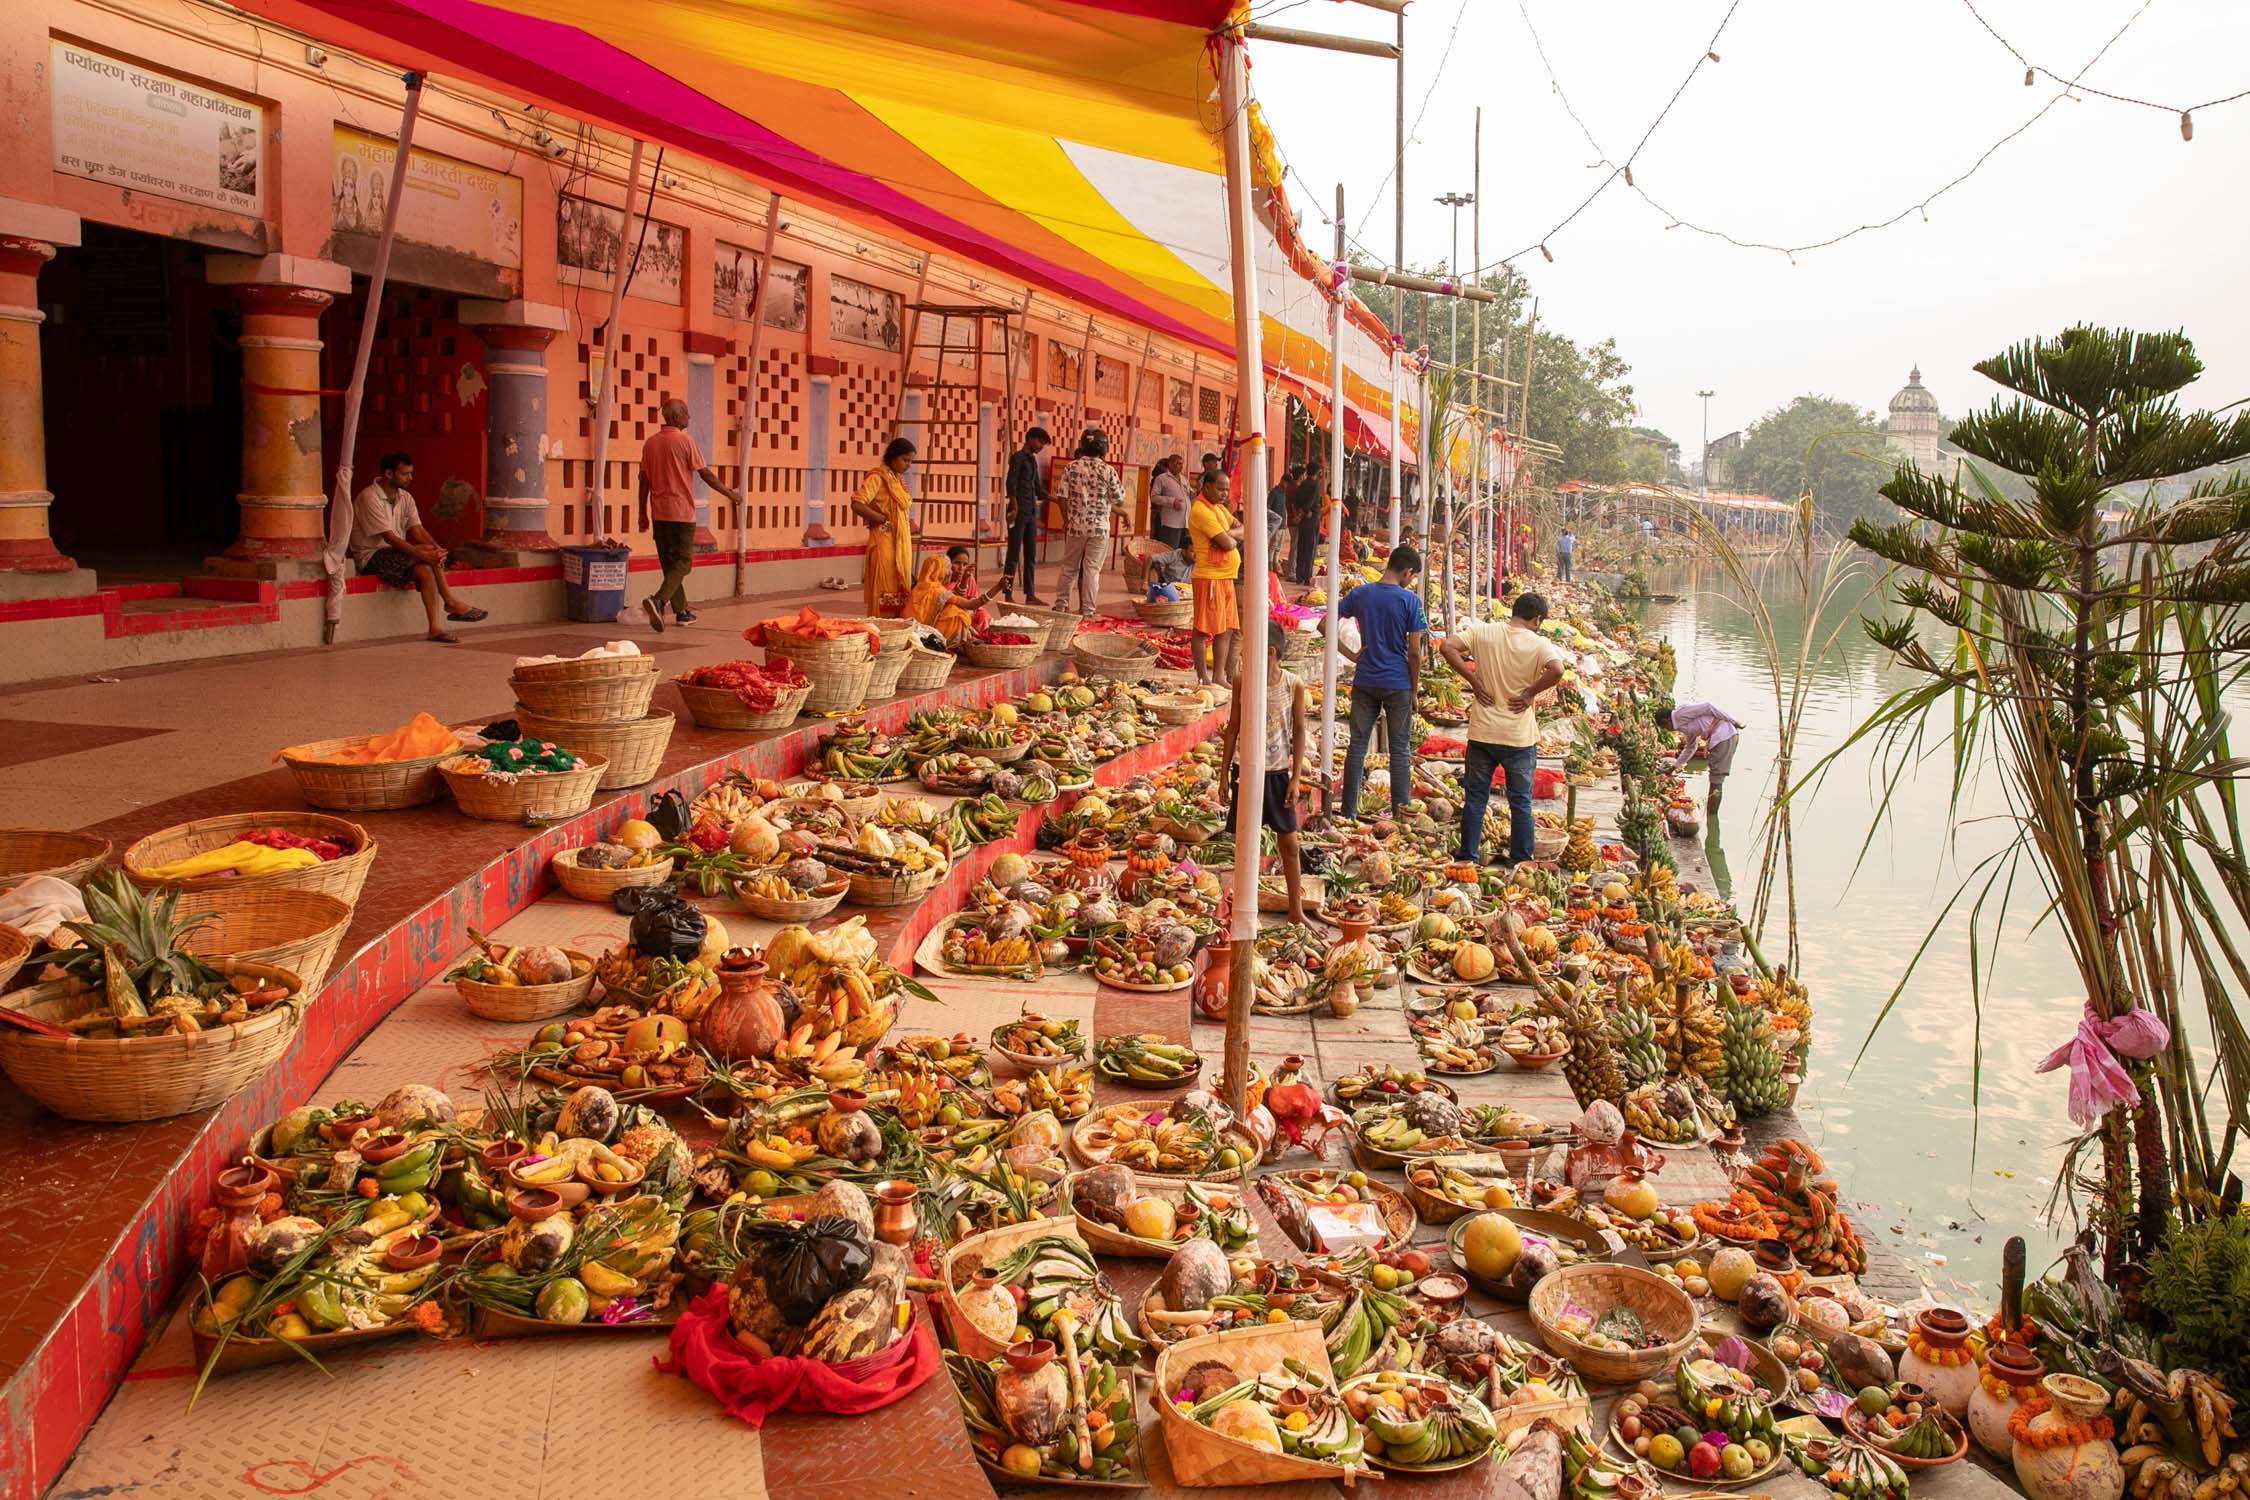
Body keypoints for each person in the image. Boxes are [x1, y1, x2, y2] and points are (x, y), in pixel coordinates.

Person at [1441, 591, 1572, 868]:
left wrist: (1474, 681)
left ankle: (1468, 857)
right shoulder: (1538, 643)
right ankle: (1521, 860)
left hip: (1483, 732)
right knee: (1520, 801)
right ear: (1537, 619)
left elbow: (1447, 647)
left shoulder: (1483, 632)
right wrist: (1529, 693)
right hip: (1518, 736)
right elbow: (1557, 670)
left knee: (1476, 798)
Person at [1219, 619, 1311, 926]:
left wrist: (1296, 777)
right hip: (1244, 770)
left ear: (1269, 652)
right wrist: (1223, 775)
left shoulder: (1292, 683)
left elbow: (1299, 732)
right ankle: (1247, 906)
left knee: (1290, 844)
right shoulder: (1242, 680)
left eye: (1249, 650)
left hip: (1277, 773)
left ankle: (1295, 908)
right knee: (1246, 842)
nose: (1243, 656)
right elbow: (1233, 727)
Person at [348, 452, 488, 644]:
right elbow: (389, 538)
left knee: (425, 570)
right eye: (405, 474)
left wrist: (437, 550)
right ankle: (450, 601)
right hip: (372, 558)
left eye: (411, 473)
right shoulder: (369, 497)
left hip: (398, 556)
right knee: (426, 554)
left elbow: (418, 529)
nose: (410, 478)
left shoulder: (405, 498)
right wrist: (424, 553)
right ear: (389, 474)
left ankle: (434, 628)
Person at [637, 398, 743, 631]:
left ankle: (681, 612)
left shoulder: (650, 443)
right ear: (677, 417)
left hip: (659, 512)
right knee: (683, 563)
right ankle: (658, 600)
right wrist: (730, 494)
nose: (689, 417)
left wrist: (641, 511)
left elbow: (643, 479)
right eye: (686, 413)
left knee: (669, 564)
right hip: (681, 513)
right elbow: (705, 474)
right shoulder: (685, 441)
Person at [1339, 544, 1427, 821]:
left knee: (1357, 746)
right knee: (1399, 750)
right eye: (1412, 577)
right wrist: (1414, 689)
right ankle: (1401, 815)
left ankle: (1348, 812)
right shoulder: (1410, 601)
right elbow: (1414, 652)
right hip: (1398, 681)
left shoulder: (1360, 594)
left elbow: (1324, 624)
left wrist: (1352, 654)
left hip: (1365, 677)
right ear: (1407, 571)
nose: (1410, 581)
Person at [1051, 431, 1126, 615]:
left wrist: (1067, 519)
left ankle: (1061, 605)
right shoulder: (1108, 471)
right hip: (1099, 529)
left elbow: (1062, 496)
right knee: (1092, 569)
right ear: (1104, 449)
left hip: (1075, 527)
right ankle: (1088, 610)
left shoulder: (1071, 468)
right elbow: (1119, 498)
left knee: (1069, 567)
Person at [1187, 470, 1243, 685]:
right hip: (1209, 577)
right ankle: (1203, 677)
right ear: (1207, 487)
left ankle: (1219, 676)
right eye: (1220, 489)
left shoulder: (1219, 509)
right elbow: (1229, 544)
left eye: (1227, 489)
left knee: (1226, 629)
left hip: (1226, 577)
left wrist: (1228, 534)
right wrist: (1229, 537)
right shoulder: (1201, 510)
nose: (1224, 493)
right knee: (1203, 629)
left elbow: (1240, 531)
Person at [852, 437, 916, 615]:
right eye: (905, 459)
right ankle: (882, 631)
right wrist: (880, 518)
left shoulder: (896, 480)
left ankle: (896, 632)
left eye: (910, 461)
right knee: (884, 589)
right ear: (893, 457)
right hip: (884, 544)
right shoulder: (878, 477)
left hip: (900, 546)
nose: (908, 465)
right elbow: (857, 503)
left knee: (899, 590)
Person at [1658, 702, 1743, 819]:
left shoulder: (1679, 714)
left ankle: (1712, 816)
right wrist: (1674, 767)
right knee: (1714, 779)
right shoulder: (1682, 725)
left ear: (1666, 721)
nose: (1667, 730)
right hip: (1719, 738)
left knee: (1716, 780)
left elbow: (1708, 707)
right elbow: (1691, 747)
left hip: (1724, 736)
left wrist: (1734, 721)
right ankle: (1710, 814)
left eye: (1665, 727)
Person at [906, 546, 1004, 644]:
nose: (949, 571)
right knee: (955, 613)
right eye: (954, 564)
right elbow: (971, 604)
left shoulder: (919, 587)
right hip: (929, 631)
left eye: (965, 564)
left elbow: (961, 597)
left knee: (977, 614)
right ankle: (963, 642)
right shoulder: (939, 590)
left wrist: (965, 579)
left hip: (911, 629)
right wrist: (998, 587)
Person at [1002, 426, 1050, 603]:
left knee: (1030, 554)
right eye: (1040, 442)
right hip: (1018, 512)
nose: (1041, 446)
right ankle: (1008, 593)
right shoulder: (1018, 458)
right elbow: (1011, 484)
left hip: (1030, 512)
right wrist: (1014, 508)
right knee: (1013, 553)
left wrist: (1055, 499)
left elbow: (1037, 489)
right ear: (1030, 438)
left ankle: (1030, 594)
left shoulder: (1032, 460)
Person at [1289, 458, 1325, 586]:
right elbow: (1312, 500)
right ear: (1317, 472)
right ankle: (1307, 576)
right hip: (1311, 518)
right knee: (1310, 547)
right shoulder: (1315, 485)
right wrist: (1306, 510)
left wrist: (1300, 512)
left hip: (1303, 519)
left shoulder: (1302, 484)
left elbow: (1296, 500)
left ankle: (1299, 576)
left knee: (1301, 546)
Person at [1148, 453, 1191, 548]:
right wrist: (1172, 502)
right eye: (1178, 463)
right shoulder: (1161, 478)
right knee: (1170, 551)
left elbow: (1189, 494)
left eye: (1182, 464)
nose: (1181, 466)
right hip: (1171, 524)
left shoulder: (1184, 479)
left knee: (1182, 554)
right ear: (1170, 464)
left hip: (1185, 523)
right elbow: (1154, 497)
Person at [1267, 464, 1301, 572]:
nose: (1287, 485)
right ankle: (1269, 565)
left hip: (1283, 524)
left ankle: (1275, 564)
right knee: (1273, 545)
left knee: (1278, 547)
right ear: (1282, 481)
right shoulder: (1274, 492)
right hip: (1275, 523)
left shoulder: (1284, 493)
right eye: (1286, 483)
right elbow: (1267, 507)